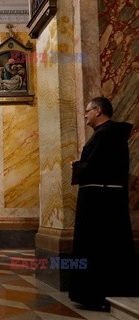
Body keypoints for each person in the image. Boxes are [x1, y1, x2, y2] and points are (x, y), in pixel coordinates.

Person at [69, 97, 138, 308]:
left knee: (98, 247)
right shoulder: (106, 134)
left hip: (99, 203)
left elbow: (97, 167)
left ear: (98, 111)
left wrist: (77, 165)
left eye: (88, 110)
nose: (85, 114)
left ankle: (96, 294)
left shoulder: (106, 134)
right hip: (103, 199)